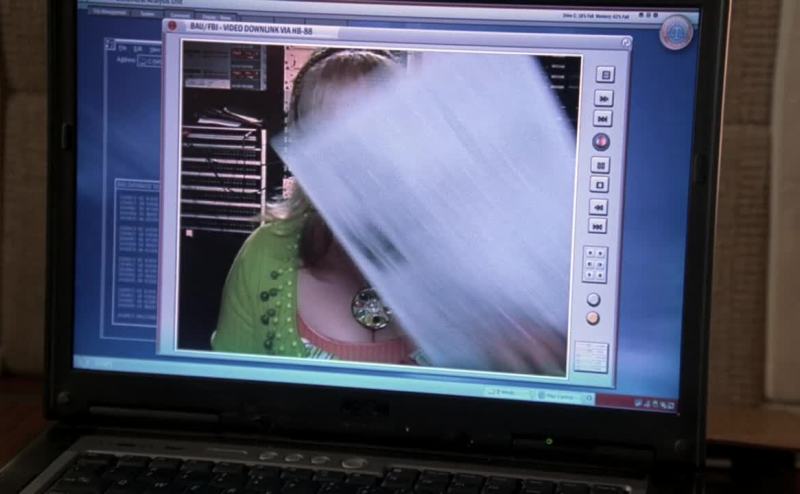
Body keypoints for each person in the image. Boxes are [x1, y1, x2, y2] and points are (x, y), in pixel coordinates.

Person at [211, 48, 422, 365]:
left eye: (374, 125)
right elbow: (230, 383)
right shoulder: (264, 254)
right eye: (330, 129)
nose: (355, 152)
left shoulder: (464, 258)